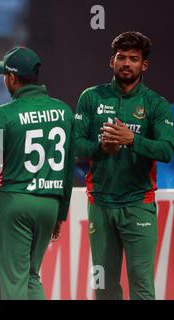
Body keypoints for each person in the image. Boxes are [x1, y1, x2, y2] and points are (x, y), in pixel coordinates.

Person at [74, 31, 174, 300]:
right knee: (103, 285)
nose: (126, 63)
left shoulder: (155, 104)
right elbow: (76, 146)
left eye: (133, 58)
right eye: (121, 57)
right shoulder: (91, 98)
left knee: (141, 283)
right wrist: (101, 149)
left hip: (138, 203)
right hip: (100, 204)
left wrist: (132, 140)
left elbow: (167, 150)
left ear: (144, 65)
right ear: (112, 61)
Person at [0, 47, 75, 299]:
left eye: (5, 74)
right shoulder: (64, 111)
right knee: (30, 276)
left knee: (14, 282)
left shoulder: (3, 114)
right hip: (49, 204)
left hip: (15, 202)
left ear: (13, 79)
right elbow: (69, 168)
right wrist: (60, 213)